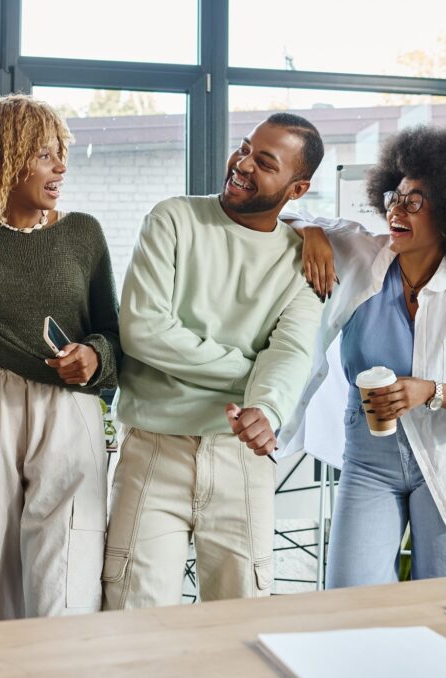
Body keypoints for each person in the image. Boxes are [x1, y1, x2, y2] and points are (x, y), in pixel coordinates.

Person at [279, 125, 446, 587]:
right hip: (369, 461)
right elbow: (280, 217)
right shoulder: (362, 256)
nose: (397, 209)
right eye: (396, 196)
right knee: (352, 596)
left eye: (416, 201)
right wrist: (310, 230)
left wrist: (429, 391)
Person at [103, 113, 325, 609]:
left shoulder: (305, 263)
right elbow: (142, 330)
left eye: (264, 162)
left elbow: (289, 352)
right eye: (244, 148)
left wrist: (266, 408)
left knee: (241, 618)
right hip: (154, 452)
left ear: (298, 188)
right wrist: (254, 374)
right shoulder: (174, 219)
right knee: (132, 614)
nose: (241, 164)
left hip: (241, 458)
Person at [0, 94, 122, 622]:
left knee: (65, 583)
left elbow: (110, 332)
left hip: (69, 412)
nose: (61, 167)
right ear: (5, 158)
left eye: (59, 153)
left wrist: (94, 357)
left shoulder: (82, 233)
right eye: (46, 155)